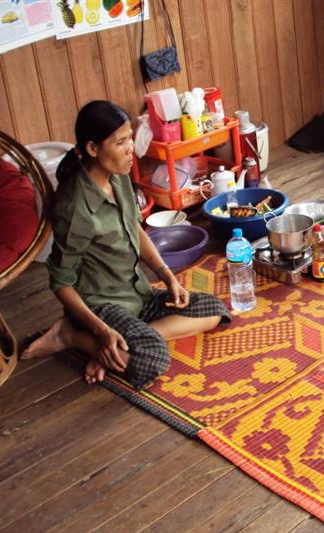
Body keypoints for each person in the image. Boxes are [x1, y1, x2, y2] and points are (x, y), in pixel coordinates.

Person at [22, 100, 230, 387]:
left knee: (213, 311)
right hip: (101, 305)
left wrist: (167, 277)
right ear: (93, 149)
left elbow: (134, 228)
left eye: (130, 138)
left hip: (136, 294)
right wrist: (102, 330)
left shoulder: (117, 177)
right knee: (152, 360)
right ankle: (74, 336)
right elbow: (61, 282)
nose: (131, 148)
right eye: (121, 142)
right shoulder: (74, 208)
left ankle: (118, 347)